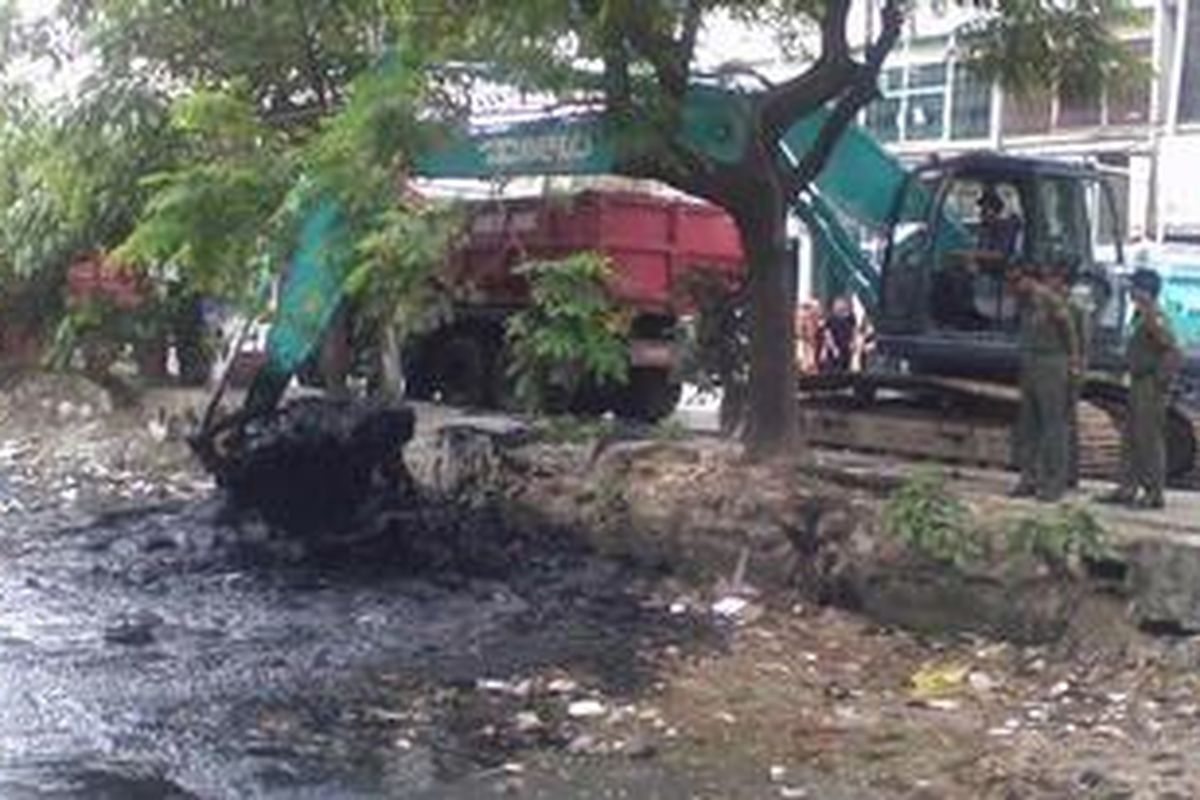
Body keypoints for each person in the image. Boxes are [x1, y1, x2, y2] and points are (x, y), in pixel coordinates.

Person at [1100, 268, 1180, 509]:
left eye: (1135, 287)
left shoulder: (1153, 316)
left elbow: (1172, 349)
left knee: (1148, 438)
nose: (1130, 291)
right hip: (1137, 381)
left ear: (1145, 291)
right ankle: (1127, 487)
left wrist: (1161, 382)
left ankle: (1153, 491)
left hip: (1149, 385)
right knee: (1131, 437)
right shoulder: (1140, 315)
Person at [1010, 263, 1082, 502]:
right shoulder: (1028, 302)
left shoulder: (1050, 300)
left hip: (1052, 363)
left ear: (1031, 279)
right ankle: (1029, 477)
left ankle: (1054, 483)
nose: (1015, 287)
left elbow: (1069, 331)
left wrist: (1073, 362)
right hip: (1032, 361)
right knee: (1029, 424)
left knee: (1054, 425)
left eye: (1018, 280)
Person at [818, 295, 856, 374]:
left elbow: (854, 330)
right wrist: (834, 348)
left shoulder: (850, 317)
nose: (840, 306)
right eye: (838, 304)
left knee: (845, 368)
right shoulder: (831, 318)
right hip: (834, 349)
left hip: (846, 348)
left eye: (843, 304)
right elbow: (828, 334)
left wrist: (852, 342)